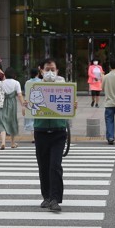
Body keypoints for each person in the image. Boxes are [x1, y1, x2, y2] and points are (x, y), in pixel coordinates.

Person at [32, 58, 75, 212]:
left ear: (57, 71)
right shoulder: (34, 87)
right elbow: (30, 108)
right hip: (41, 131)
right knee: (43, 165)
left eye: (53, 69)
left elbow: (70, 107)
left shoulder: (64, 86)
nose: (50, 72)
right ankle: (47, 196)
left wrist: (73, 104)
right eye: (47, 69)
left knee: (55, 166)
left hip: (58, 131)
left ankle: (55, 198)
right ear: (41, 70)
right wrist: (27, 105)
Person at [0, 67, 25, 149]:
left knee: (2, 121)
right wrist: (23, 104)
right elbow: (19, 95)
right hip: (12, 103)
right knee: (12, 121)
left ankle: (3, 142)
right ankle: (12, 143)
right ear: (14, 75)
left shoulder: (0, 83)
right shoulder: (16, 83)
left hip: (2, 103)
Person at [24, 68, 40, 143]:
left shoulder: (27, 82)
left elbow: (26, 93)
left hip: (29, 102)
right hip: (39, 102)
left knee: (31, 120)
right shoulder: (41, 81)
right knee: (38, 118)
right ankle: (37, 136)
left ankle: (33, 137)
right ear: (38, 73)